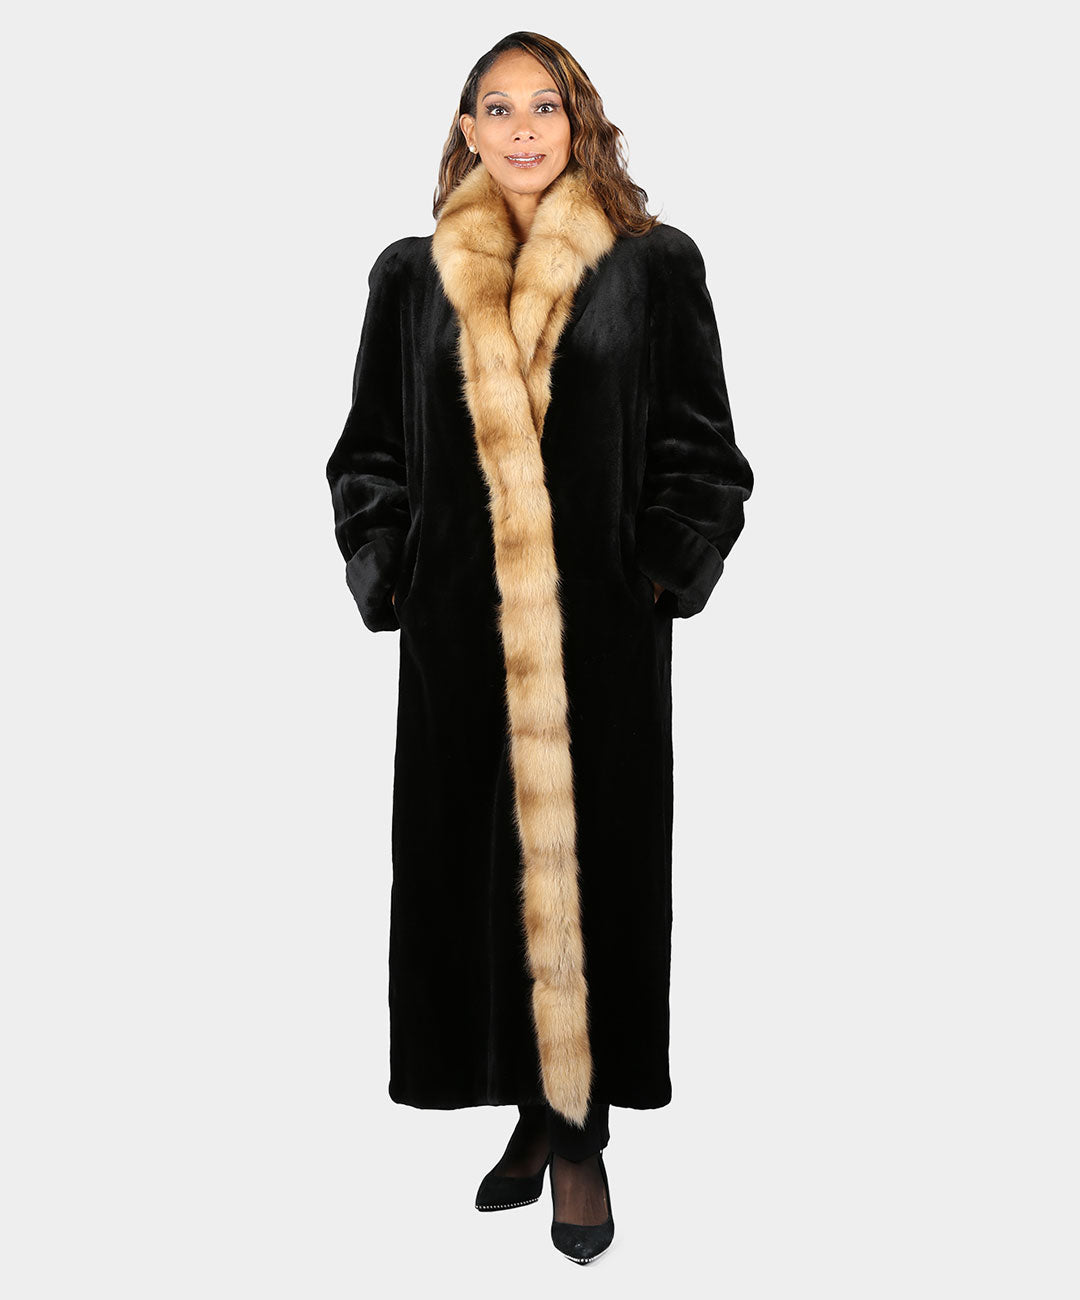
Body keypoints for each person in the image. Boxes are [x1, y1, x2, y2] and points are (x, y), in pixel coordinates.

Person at [325, 31, 754, 1265]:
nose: (523, 129)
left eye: (545, 106)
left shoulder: (652, 266)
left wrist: (661, 568)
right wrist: (389, 568)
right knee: (477, 881)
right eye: (498, 108)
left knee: (593, 880)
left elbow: (704, 452)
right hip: (459, 649)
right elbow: (369, 454)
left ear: (581, 122)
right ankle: (525, 1105)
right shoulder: (411, 278)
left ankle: (580, 1133)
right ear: (466, 129)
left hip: (600, 648)